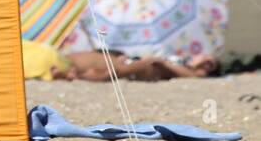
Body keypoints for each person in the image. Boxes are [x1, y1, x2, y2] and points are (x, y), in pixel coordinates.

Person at [60, 49, 217, 81]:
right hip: (138, 62)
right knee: (108, 65)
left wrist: (162, 63)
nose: (206, 62)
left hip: (150, 70)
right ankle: (77, 74)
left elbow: (194, 77)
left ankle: (80, 76)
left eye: (211, 64)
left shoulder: (195, 71)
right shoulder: (183, 58)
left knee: (114, 71)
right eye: (206, 57)